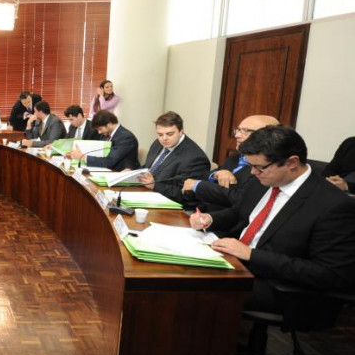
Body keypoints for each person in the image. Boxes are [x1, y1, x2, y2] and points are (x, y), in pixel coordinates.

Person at [189, 126, 355, 312]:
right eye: (251, 166)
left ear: (292, 162)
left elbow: (332, 275)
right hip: (237, 262)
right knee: (182, 273)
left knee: (193, 291)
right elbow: (240, 212)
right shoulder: (264, 180)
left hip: (281, 286)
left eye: (259, 167)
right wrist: (210, 219)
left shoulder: (333, 205)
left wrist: (251, 255)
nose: (253, 173)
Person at [182, 115, 280, 210]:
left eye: (246, 131)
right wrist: (216, 174)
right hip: (202, 210)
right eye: (238, 130)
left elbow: (239, 198)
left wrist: (198, 186)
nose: (237, 135)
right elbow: (202, 176)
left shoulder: (265, 167)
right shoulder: (235, 157)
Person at [136, 111, 211, 203]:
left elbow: (186, 195)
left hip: (170, 203)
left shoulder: (196, 159)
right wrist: (132, 173)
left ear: (181, 131)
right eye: (160, 134)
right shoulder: (158, 143)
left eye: (170, 134)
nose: (164, 138)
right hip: (145, 192)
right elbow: (150, 167)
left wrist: (154, 185)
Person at [69, 110, 140, 170]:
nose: (99, 132)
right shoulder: (106, 135)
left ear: (109, 123)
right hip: (108, 170)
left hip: (122, 173)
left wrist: (84, 157)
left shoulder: (126, 137)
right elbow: (98, 152)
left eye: (100, 129)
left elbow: (110, 161)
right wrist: (77, 154)